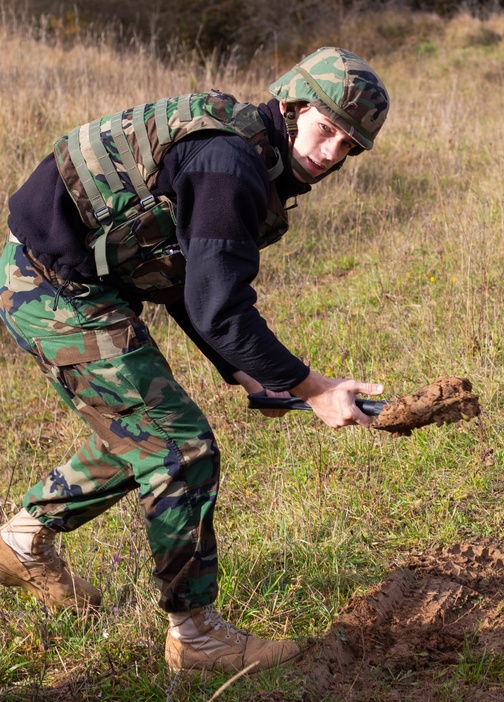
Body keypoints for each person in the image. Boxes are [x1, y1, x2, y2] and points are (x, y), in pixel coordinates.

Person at [0, 47, 389, 675]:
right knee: (179, 446)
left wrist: (247, 372)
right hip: (50, 285)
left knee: (143, 430)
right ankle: (197, 636)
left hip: (75, 281)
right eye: (326, 130)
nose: (329, 155)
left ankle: (21, 540)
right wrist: (313, 387)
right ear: (291, 107)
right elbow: (219, 307)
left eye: (348, 145)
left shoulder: (246, 151)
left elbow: (182, 275)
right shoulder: (229, 163)